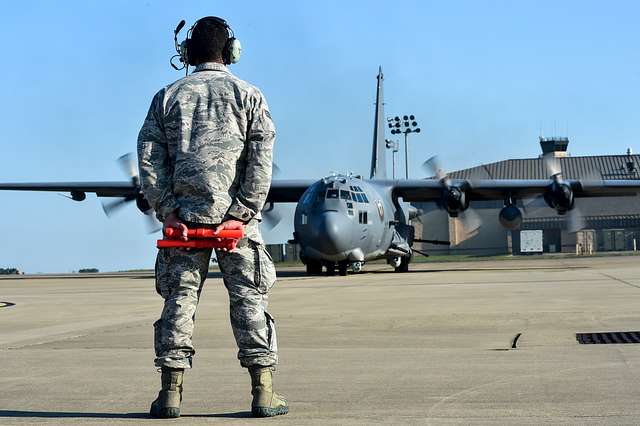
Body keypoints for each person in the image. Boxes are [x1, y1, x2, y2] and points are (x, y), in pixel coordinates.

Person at [137, 16, 288, 419]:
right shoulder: (250, 96)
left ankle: (170, 395)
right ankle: (263, 393)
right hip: (236, 228)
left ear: (187, 53)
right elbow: (261, 163)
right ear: (231, 51)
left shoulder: (167, 97)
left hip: (183, 226)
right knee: (249, 301)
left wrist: (168, 210)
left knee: (179, 303)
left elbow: (149, 160)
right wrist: (240, 214)